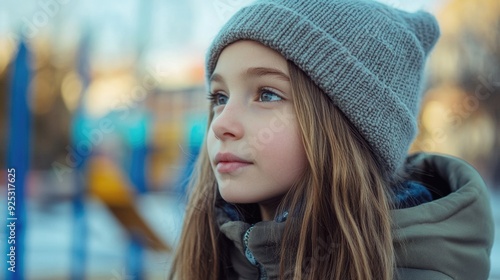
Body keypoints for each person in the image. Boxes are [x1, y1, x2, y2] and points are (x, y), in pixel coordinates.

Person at [169, 0, 495, 279]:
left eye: (267, 94)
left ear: (349, 127)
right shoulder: (224, 254)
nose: (221, 124)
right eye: (219, 97)